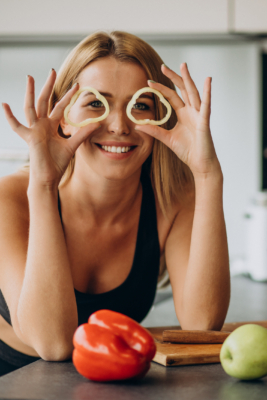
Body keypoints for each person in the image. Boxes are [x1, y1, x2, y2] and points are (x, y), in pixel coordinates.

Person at [0, 31, 230, 376]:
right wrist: (44, 185)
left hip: (109, 379)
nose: (120, 125)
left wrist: (209, 176)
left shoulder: (173, 199)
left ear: (160, 117)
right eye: (96, 103)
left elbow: (203, 324)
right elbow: (53, 344)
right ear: (63, 115)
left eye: (140, 105)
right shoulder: (11, 197)